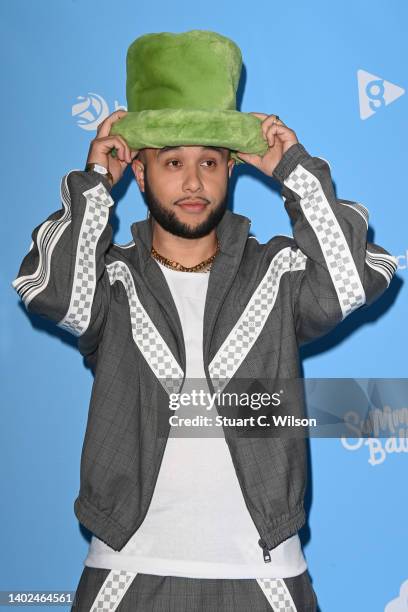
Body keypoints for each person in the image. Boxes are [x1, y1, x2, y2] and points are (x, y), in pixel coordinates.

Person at [11, 30, 397, 612]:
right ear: (138, 173)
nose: (193, 182)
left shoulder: (277, 273)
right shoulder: (112, 282)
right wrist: (94, 183)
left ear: (232, 168)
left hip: (267, 579)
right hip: (127, 576)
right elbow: (51, 289)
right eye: (172, 162)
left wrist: (295, 171)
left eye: (210, 161)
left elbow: (352, 281)